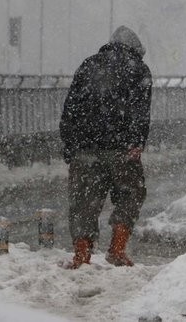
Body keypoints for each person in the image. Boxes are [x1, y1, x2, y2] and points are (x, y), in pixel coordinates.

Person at [59, 25, 152, 269]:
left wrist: (70, 145)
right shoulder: (138, 69)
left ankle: (81, 255)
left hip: (85, 149)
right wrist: (136, 142)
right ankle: (117, 249)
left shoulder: (88, 65)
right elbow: (141, 111)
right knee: (131, 194)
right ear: (135, 49)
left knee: (83, 202)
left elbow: (70, 107)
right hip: (121, 149)